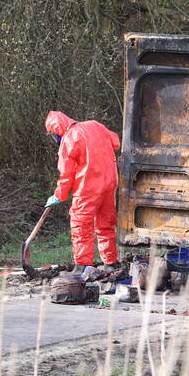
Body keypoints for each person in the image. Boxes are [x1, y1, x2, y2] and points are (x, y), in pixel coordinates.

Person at [44, 110, 120, 273]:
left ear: (56, 131)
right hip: (109, 183)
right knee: (106, 224)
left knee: (81, 226)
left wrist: (59, 196)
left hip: (88, 188)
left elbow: (66, 175)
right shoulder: (95, 125)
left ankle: (82, 266)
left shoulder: (69, 139)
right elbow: (116, 143)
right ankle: (111, 263)